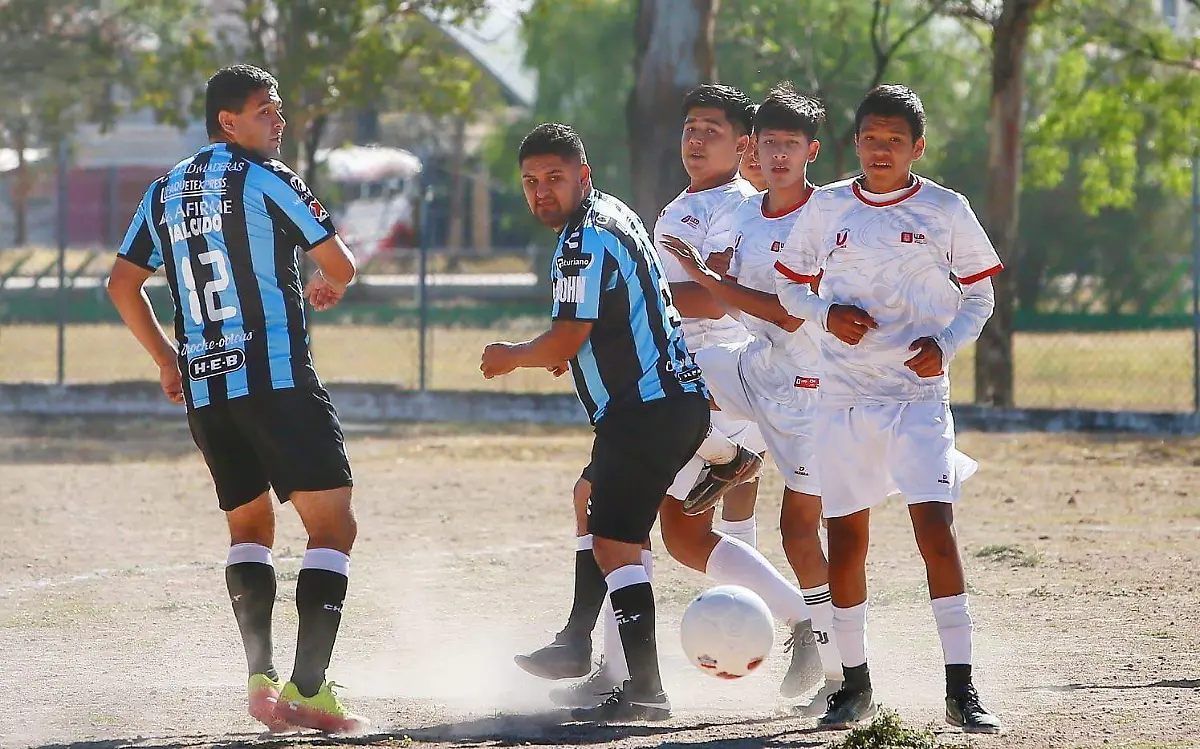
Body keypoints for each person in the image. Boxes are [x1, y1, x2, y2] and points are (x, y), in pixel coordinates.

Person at [524, 85, 826, 712]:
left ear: (742, 145)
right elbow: (649, 301)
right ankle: (798, 624)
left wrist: (619, 313)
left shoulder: (742, 207)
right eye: (690, 126)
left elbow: (714, 300)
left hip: (713, 385)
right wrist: (595, 336)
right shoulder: (674, 210)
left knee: (602, 504)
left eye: (711, 130)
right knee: (675, 537)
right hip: (675, 380)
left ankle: (617, 671)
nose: (694, 138)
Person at [106, 64, 368, 735]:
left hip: (207, 390)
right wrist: (331, 282)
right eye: (265, 109)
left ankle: (260, 676)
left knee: (249, 529)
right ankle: (309, 688)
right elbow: (339, 264)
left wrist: (167, 357)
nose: (278, 119)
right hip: (275, 379)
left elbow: (120, 283)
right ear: (228, 120)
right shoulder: (267, 179)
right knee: (333, 528)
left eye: (277, 107)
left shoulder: (163, 190)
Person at [773, 84, 1003, 733]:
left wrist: (947, 344)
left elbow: (980, 299)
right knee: (845, 540)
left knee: (936, 531)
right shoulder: (826, 208)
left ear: (917, 147)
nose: (882, 149)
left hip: (918, 398)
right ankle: (855, 685)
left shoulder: (946, 209)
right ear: (856, 141)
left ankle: (962, 688)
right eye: (872, 137)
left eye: (895, 140)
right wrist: (827, 313)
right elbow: (790, 287)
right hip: (844, 398)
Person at [480, 123, 710, 722]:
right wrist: (573, 350)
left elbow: (567, 335)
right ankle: (577, 642)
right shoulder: (615, 214)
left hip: (645, 411)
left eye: (555, 178)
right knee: (592, 502)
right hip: (669, 404)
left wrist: (517, 355)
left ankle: (647, 690)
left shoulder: (581, 238)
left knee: (615, 545)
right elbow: (613, 315)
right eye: (530, 182)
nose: (542, 192)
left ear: (585, 176)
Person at [662, 81, 845, 712]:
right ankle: (725, 454)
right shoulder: (743, 212)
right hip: (751, 367)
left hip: (810, 389)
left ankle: (840, 662)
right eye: (769, 144)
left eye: (788, 144)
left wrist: (655, 295)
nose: (776, 155)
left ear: (810, 151)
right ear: (755, 149)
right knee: (667, 383)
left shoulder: (825, 214)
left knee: (803, 534)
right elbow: (715, 282)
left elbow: (780, 311)